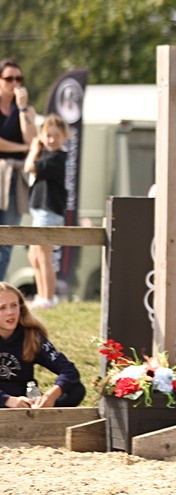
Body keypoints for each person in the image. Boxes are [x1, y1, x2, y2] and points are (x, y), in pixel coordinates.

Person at [0, 281, 84, 408]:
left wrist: (51, 395)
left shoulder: (31, 336)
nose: (10, 312)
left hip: (27, 403)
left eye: (14, 305)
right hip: (5, 401)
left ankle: (47, 417)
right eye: (2, 307)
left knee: (76, 389)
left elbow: (69, 370)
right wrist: (7, 400)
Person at [23, 114, 70, 309]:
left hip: (49, 211)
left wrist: (34, 149)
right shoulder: (49, 155)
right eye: (48, 135)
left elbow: (29, 167)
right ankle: (42, 295)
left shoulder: (58, 158)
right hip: (39, 209)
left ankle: (48, 298)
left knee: (44, 255)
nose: (51, 140)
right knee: (33, 256)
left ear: (64, 136)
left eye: (56, 136)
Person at [0, 59, 35, 280]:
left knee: (7, 237)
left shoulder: (26, 109)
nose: (15, 83)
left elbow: (32, 139)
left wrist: (22, 109)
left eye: (18, 79)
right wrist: (22, 147)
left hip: (14, 178)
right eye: (9, 78)